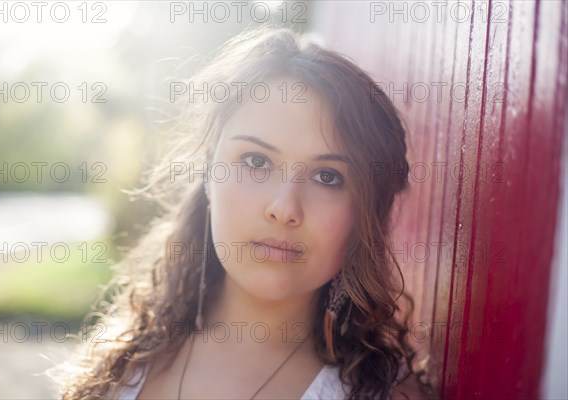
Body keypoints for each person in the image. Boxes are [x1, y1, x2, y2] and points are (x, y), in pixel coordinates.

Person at [51, 25, 436, 399]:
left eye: (327, 176)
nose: (284, 208)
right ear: (208, 171)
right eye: (256, 160)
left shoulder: (386, 394)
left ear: (365, 213)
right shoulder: (117, 363)